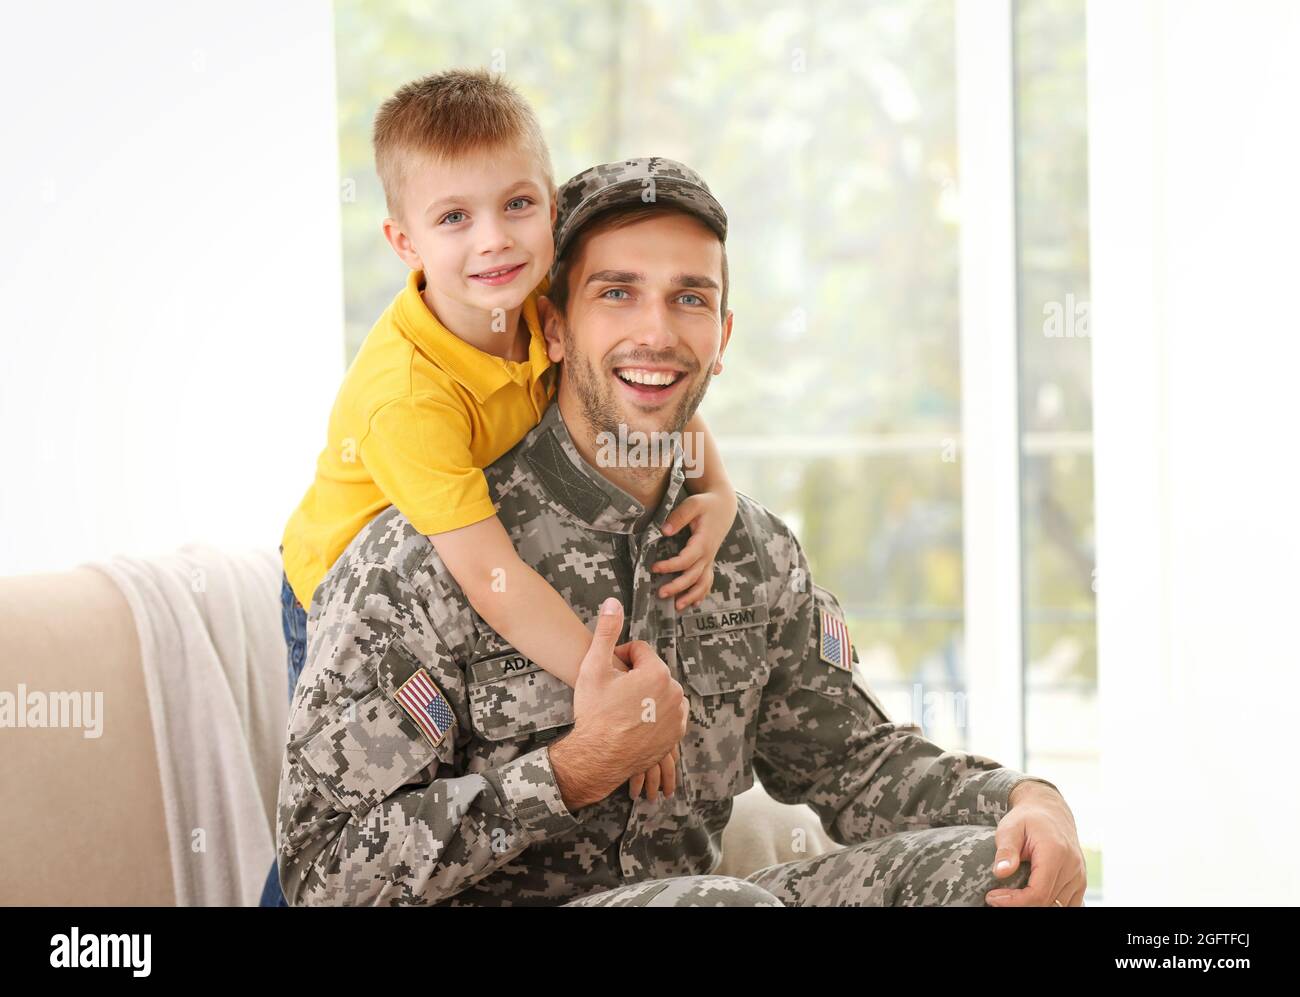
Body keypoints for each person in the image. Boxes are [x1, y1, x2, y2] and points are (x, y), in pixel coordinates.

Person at [274, 157, 1087, 907]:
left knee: (1002, 871)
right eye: (617, 293)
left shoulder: (752, 552)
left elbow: (856, 763)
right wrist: (569, 769)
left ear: (722, 338)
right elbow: (321, 871)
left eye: (690, 298)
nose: (656, 333)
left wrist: (1028, 799)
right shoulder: (424, 556)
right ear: (551, 328)